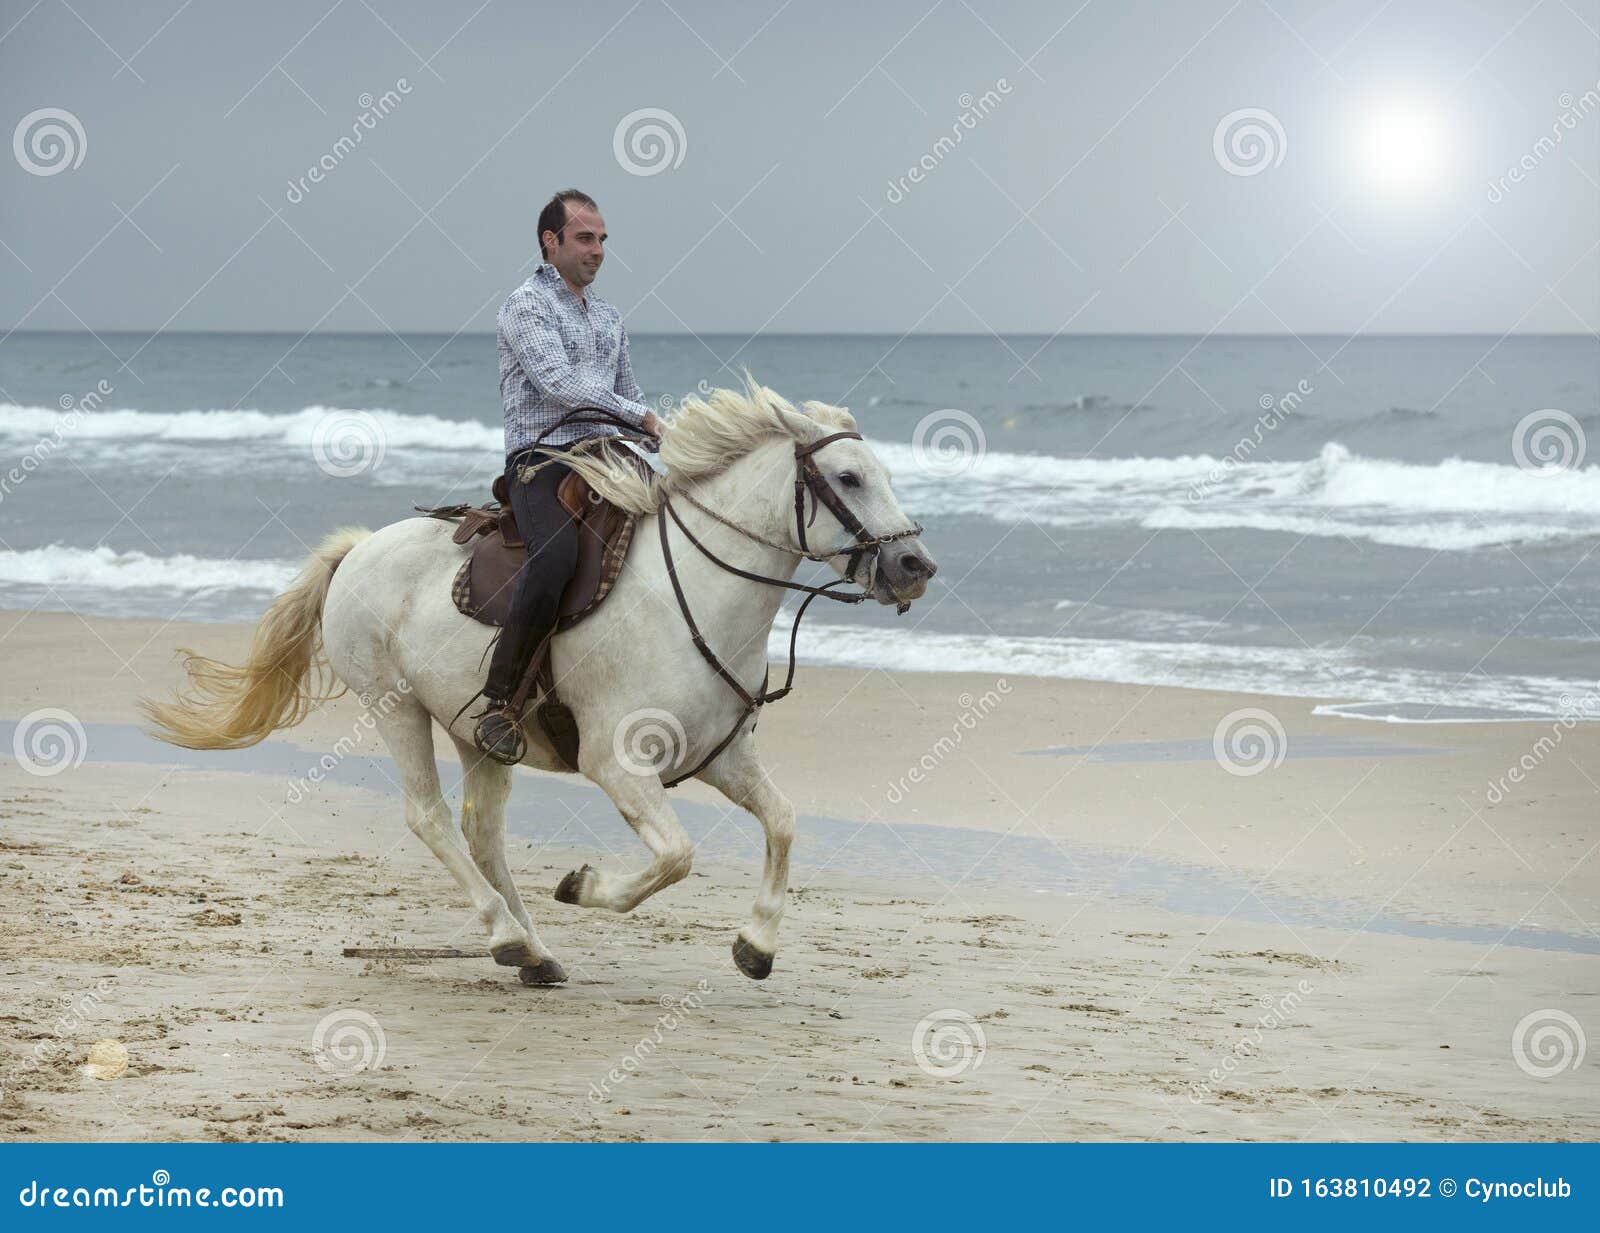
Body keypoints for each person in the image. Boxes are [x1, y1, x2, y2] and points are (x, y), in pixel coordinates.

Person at [473, 188, 662, 763]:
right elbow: (559, 384)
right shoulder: (526, 306)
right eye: (585, 238)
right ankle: (499, 703)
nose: (598, 249)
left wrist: (655, 439)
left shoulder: (608, 316)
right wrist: (643, 418)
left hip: (607, 458)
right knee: (555, 558)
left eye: (602, 239)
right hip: (543, 461)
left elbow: (626, 392)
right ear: (549, 241)